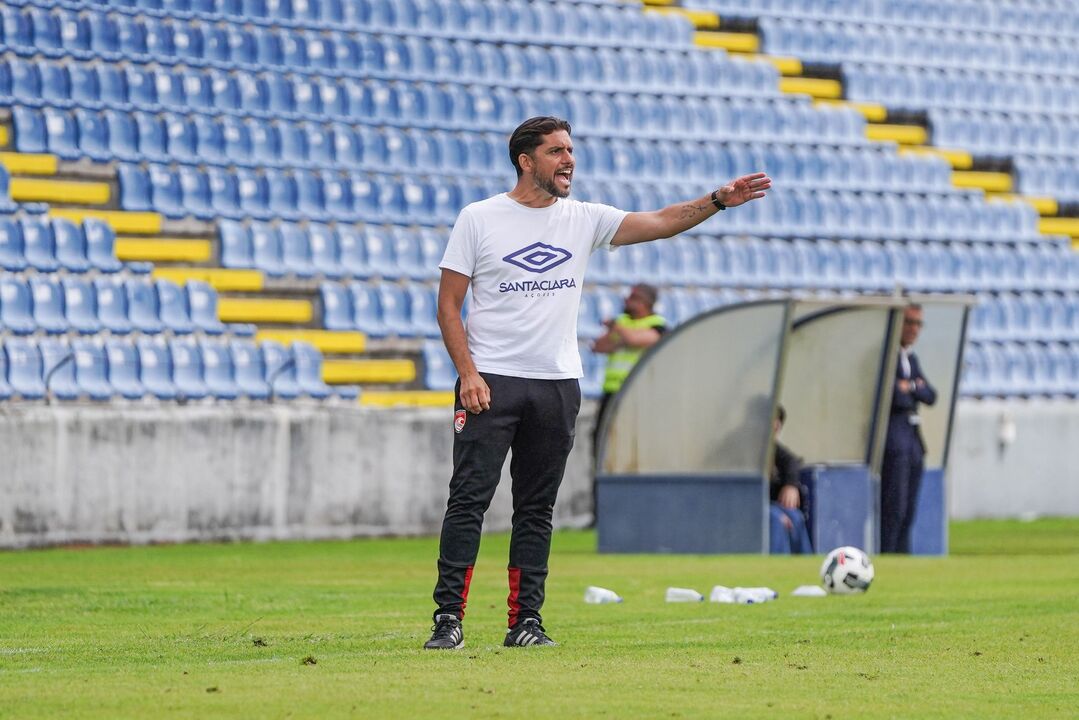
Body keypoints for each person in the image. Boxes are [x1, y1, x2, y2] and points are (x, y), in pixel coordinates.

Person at [424, 116, 771, 650]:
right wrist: (467, 373)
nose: (569, 160)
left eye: (571, 150)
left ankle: (525, 623)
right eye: (557, 151)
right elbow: (449, 306)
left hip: (558, 384)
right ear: (526, 160)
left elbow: (661, 220)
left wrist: (718, 200)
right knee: (469, 500)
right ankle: (448, 619)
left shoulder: (585, 218)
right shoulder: (479, 218)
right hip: (491, 381)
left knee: (536, 509)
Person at [880, 304, 937, 554]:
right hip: (895, 440)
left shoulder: (911, 358)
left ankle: (903, 555)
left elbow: (931, 395)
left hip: (913, 440)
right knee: (894, 506)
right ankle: (890, 554)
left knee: (909, 507)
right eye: (909, 323)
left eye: (918, 324)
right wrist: (914, 388)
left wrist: (910, 387)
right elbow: (891, 395)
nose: (914, 329)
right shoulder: (886, 356)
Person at [590, 283, 666, 467]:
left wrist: (618, 330)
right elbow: (599, 346)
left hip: (637, 394)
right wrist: (624, 338)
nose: (626, 301)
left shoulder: (656, 325)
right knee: (602, 440)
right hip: (612, 392)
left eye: (632, 298)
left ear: (644, 302)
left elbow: (636, 339)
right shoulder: (624, 323)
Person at [769, 404, 812, 554]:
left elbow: (791, 461)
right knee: (776, 519)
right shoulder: (739, 448)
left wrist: (790, 484)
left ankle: (806, 569)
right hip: (747, 505)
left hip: (770, 504)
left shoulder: (773, 450)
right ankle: (775, 570)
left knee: (796, 517)